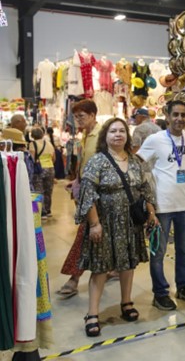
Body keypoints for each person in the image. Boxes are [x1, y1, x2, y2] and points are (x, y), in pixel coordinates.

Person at [76, 118, 156, 337]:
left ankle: (126, 302)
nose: (118, 134)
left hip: (130, 223)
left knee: (128, 263)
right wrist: (94, 224)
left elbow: (145, 188)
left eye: (122, 131)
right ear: (106, 136)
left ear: (127, 136)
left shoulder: (135, 161)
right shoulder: (97, 161)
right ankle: (92, 313)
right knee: (101, 268)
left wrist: (151, 213)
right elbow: (87, 194)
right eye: (113, 131)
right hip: (105, 223)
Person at [138, 100, 185, 311]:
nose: (179, 119)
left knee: (184, 250)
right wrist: (146, 196)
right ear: (167, 115)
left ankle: (182, 286)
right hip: (162, 206)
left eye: (183, 115)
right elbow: (138, 163)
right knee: (158, 252)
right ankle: (160, 293)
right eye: (175, 114)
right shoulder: (155, 140)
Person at [57, 99, 101, 298]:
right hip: (86, 192)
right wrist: (77, 181)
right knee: (94, 235)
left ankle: (74, 278)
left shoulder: (101, 135)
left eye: (81, 116)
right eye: (75, 117)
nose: (78, 120)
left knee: (85, 236)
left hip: (99, 195)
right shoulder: (85, 135)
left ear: (92, 115)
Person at [29, 127, 56, 218]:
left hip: (39, 169)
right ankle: (48, 210)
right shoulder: (49, 143)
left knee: (38, 190)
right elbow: (54, 158)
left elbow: (32, 158)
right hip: (50, 168)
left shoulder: (32, 144)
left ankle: (41, 212)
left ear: (32, 135)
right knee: (48, 190)